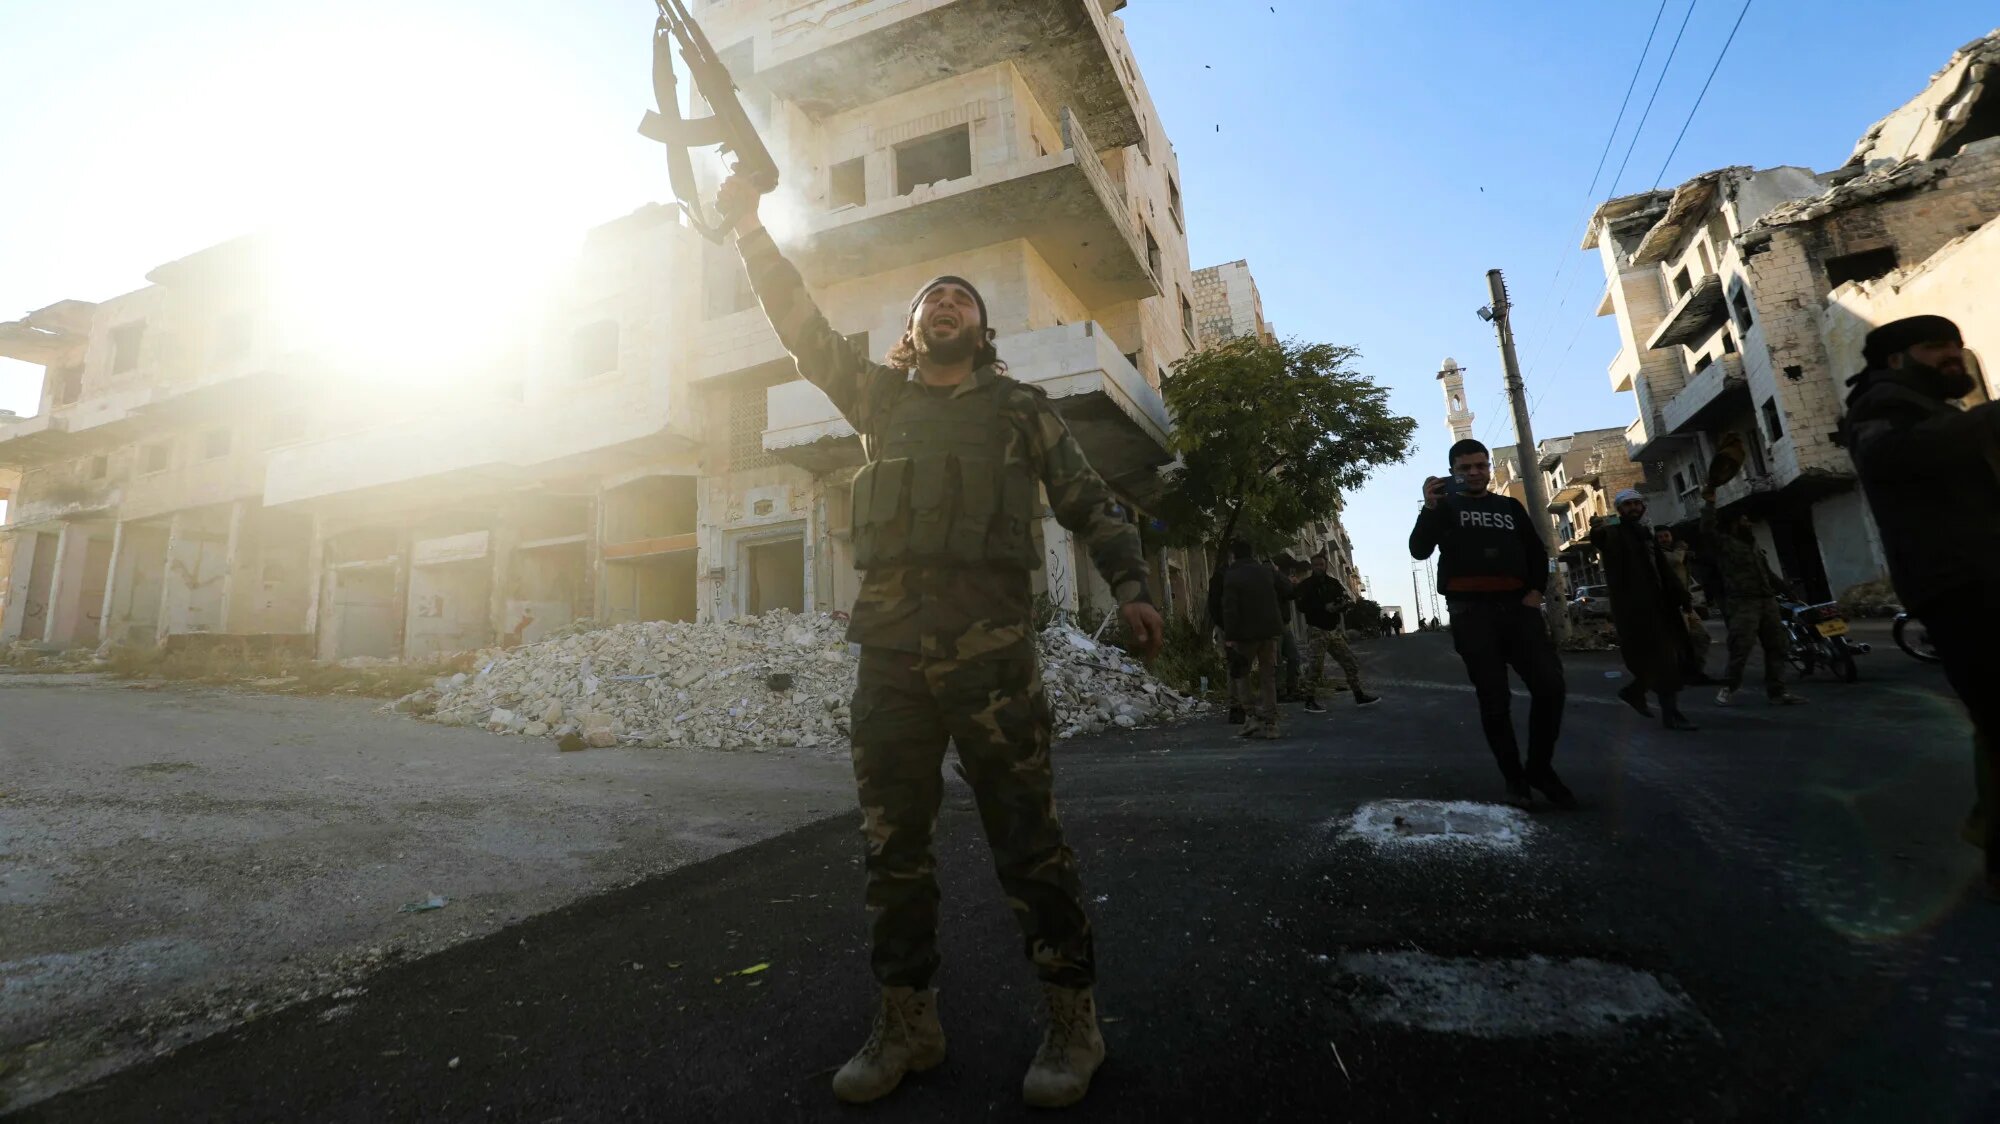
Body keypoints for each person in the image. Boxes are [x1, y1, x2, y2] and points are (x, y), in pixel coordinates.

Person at [719, 174, 1165, 1107]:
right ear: (912, 330)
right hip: (889, 657)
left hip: (994, 655)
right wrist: (752, 228)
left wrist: (1130, 587)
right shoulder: (881, 401)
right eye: (933, 301)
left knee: (1027, 841)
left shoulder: (1021, 409)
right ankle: (907, 1022)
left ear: (981, 328)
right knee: (893, 848)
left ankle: (1072, 1020)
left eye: (962, 300)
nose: (947, 306)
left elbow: (1089, 502)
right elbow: (800, 328)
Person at [1840, 314, 1997, 898]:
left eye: (1957, 344)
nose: (1954, 355)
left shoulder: (1937, 410)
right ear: (1896, 360)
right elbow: (1891, 460)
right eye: (1936, 348)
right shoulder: (1879, 405)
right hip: (1959, 586)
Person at [1409, 438, 1575, 809]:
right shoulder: (1445, 508)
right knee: (1494, 700)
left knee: (1550, 687)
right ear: (1453, 471)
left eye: (1480, 466)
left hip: (1519, 610)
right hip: (1472, 614)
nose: (1474, 473)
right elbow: (1419, 549)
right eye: (1465, 468)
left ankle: (1539, 769)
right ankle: (1514, 781)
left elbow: (1535, 551)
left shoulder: (1509, 507)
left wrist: (1535, 591)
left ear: (1489, 468)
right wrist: (1429, 507)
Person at [1590, 489, 1698, 731]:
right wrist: (1597, 529)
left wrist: (1681, 596)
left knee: (1669, 660)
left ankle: (1663, 709)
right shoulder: (1615, 532)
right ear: (1619, 509)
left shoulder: (1645, 534)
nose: (1634, 508)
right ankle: (1639, 695)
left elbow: (1662, 570)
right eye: (1628, 505)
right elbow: (1601, 538)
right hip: (1637, 610)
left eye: (1637, 504)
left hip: (1661, 606)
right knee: (1662, 660)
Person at [1699, 474, 1806, 708]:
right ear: (1734, 525)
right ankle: (1729, 687)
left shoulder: (1754, 546)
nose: (1748, 523)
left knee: (1778, 646)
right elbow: (1706, 530)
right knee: (1741, 647)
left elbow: (1767, 573)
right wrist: (1709, 504)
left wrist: (1788, 592)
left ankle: (1777, 691)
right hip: (1743, 603)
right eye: (1744, 521)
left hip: (1767, 601)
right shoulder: (1725, 544)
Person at [1291, 552, 1381, 711]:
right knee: (1315, 667)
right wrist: (1322, 607)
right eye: (1316, 565)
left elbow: (1345, 600)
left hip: (1333, 630)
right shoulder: (1306, 585)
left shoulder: (1333, 583)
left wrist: (1340, 606)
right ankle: (1309, 700)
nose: (1319, 567)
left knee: (1350, 662)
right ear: (1312, 566)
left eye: (1321, 564)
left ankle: (1359, 695)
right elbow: (1301, 606)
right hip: (1317, 630)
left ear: (1325, 565)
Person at [1221, 539, 1288, 738]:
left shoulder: (1232, 575)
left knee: (1242, 675)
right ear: (1252, 553)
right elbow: (1288, 590)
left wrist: (1230, 636)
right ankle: (1271, 724)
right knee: (1268, 677)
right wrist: (1276, 571)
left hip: (1245, 635)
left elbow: (1230, 609)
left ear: (1233, 555)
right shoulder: (1266, 571)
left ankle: (1251, 717)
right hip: (1269, 633)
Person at [1656, 526, 1715, 685]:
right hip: (1671, 605)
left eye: (1666, 535)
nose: (1664, 539)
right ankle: (1682, 674)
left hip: (1684, 603)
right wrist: (1681, 548)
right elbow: (1674, 561)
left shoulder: (1677, 552)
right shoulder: (1657, 555)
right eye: (1660, 537)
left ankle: (1696, 671)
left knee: (1702, 637)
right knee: (1682, 641)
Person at [1207, 569, 1250, 725]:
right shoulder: (1223, 577)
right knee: (1236, 666)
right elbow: (1215, 605)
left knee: (1238, 666)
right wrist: (1225, 628)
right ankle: (1238, 707)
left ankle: (1239, 706)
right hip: (1232, 628)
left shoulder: (1230, 575)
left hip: (1238, 627)